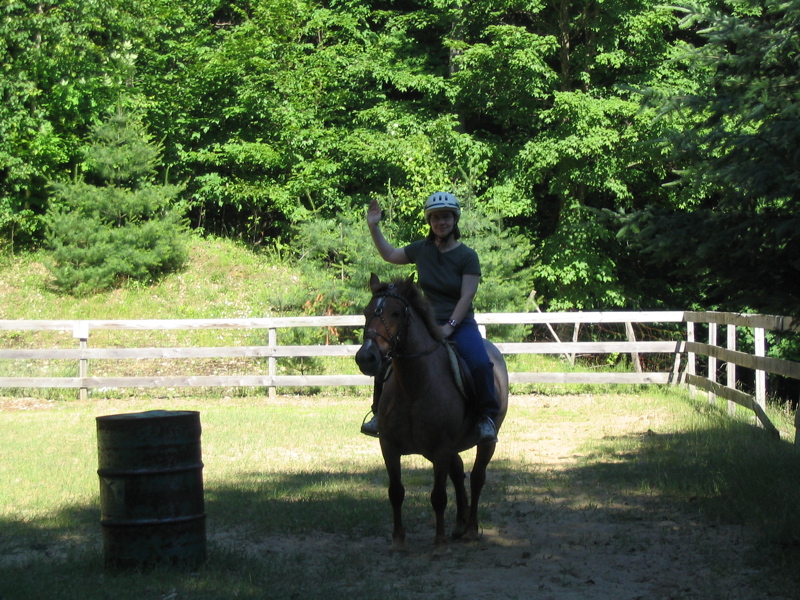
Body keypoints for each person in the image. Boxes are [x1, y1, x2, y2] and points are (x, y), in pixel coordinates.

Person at [361, 191, 500, 444]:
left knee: (480, 363)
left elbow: (466, 296)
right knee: (388, 360)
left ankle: (485, 418)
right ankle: (378, 414)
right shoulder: (421, 250)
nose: (441, 222)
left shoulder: (467, 256)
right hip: (425, 324)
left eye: (446, 217)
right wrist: (374, 227)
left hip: (459, 324)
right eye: (435, 218)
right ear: (429, 221)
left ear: (454, 220)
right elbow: (390, 255)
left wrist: (450, 327)